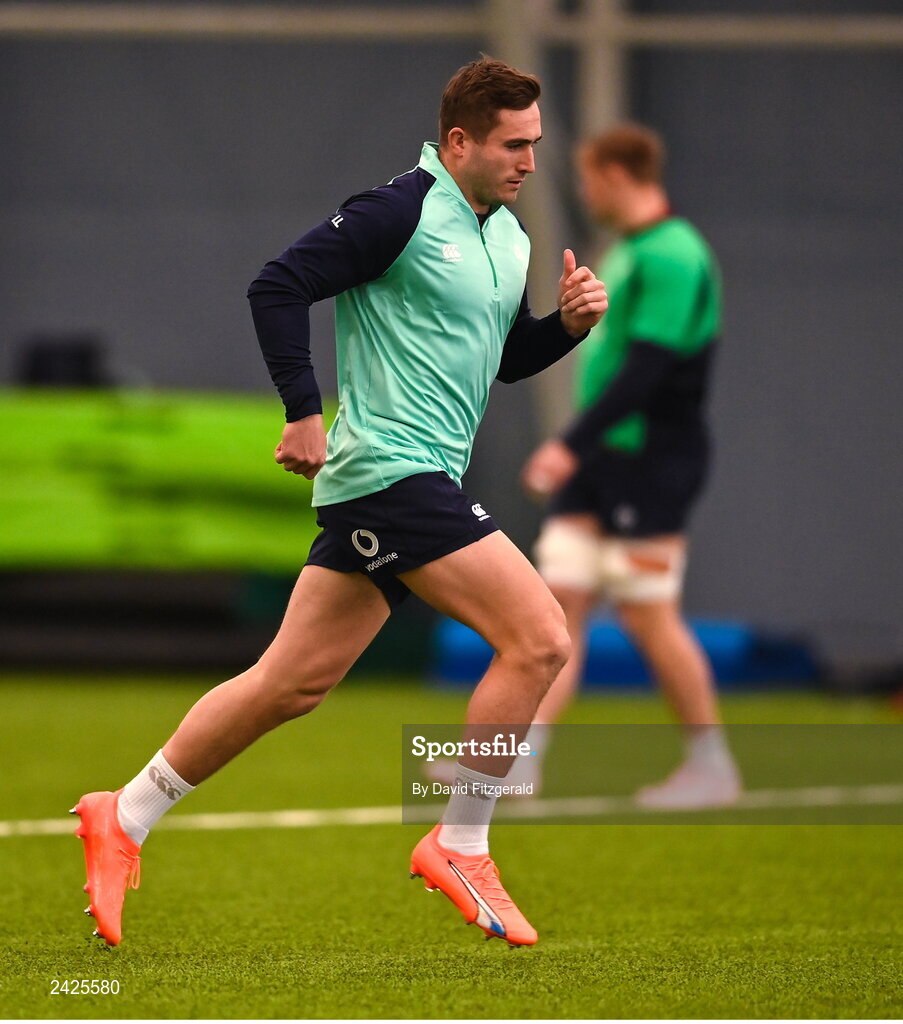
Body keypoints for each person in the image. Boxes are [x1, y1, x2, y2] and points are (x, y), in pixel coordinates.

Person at [71, 57, 608, 949]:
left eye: (536, 145)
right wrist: (302, 411)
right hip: (388, 473)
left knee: (291, 684)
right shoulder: (397, 209)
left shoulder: (509, 240)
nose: (527, 161)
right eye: (513, 145)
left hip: (419, 480)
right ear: (460, 141)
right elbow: (276, 285)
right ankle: (462, 840)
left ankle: (122, 814)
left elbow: (501, 362)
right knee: (541, 637)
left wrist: (567, 329)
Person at [519, 123, 741, 809]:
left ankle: (710, 767)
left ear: (616, 175)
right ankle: (519, 760)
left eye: (587, 178)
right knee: (555, 612)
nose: (584, 192)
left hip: (651, 461)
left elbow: (647, 369)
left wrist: (567, 442)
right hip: (600, 462)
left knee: (648, 616)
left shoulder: (674, 253)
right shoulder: (625, 252)